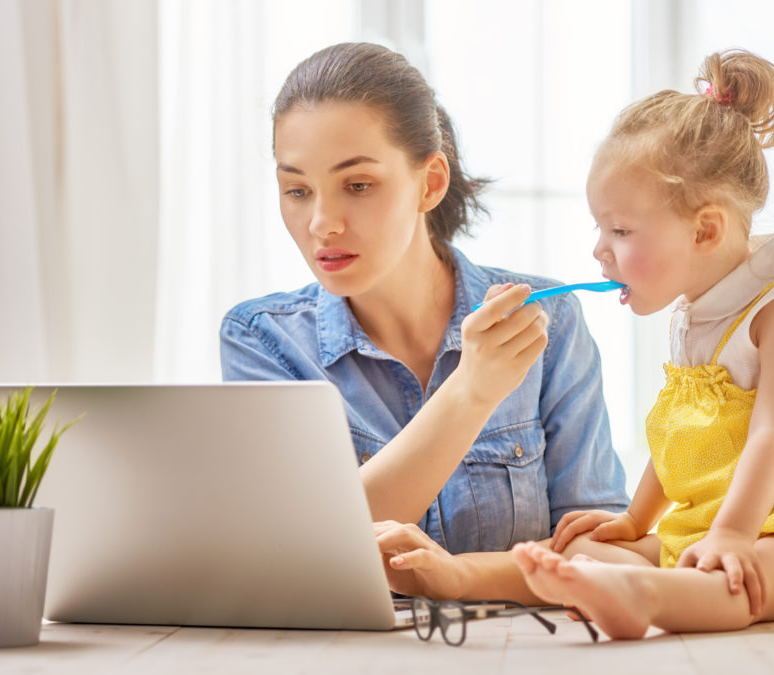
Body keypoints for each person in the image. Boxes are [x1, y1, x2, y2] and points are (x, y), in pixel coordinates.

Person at [510, 49, 774, 638]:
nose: (600, 250)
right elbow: (680, 432)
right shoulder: (691, 317)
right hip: (720, 522)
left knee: (738, 583)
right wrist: (634, 519)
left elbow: (773, 434)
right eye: (601, 228)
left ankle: (646, 596)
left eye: (620, 231)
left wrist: (731, 535)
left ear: (705, 229)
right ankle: (631, 586)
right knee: (590, 554)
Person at [219, 42, 628, 600]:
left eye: (357, 185)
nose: (321, 223)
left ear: (430, 182)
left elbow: (599, 551)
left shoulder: (547, 318)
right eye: (296, 190)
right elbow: (298, 550)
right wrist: (471, 393)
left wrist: (462, 578)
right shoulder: (262, 340)